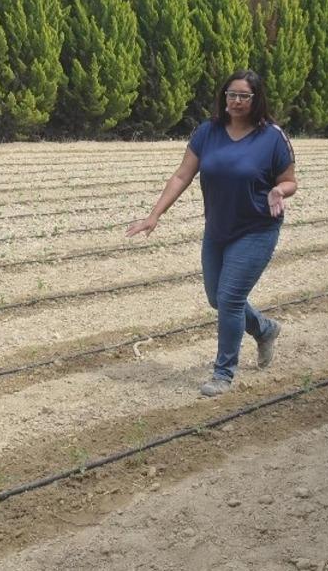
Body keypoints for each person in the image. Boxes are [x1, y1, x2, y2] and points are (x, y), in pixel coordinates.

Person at [127, 70, 297, 396]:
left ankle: (223, 373)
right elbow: (182, 175)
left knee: (230, 298)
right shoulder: (208, 131)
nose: (236, 101)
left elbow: (290, 181)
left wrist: (279, 190)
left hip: (257, 229)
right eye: (231, 94)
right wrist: (154, 215)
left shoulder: (272, 137)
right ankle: (264, 329)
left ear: (256, 99)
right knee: (216, 298)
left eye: (244, 96)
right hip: (218, 228)